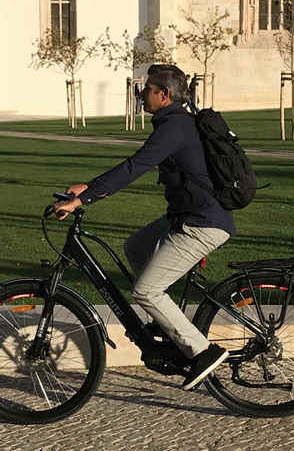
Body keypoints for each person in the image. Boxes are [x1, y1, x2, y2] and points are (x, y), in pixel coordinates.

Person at [52, 63, 233, 390]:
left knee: (146, 290)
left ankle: (202, 352)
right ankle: (164, 326)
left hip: (202, 223)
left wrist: (84, 200)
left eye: (146, 89)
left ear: (163, 95)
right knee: (135, 247)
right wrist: (87, 187)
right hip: (185, 216)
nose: (141, 94)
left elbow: (135, 167)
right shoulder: (172, 122)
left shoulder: (175, 127)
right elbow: (134, 164)